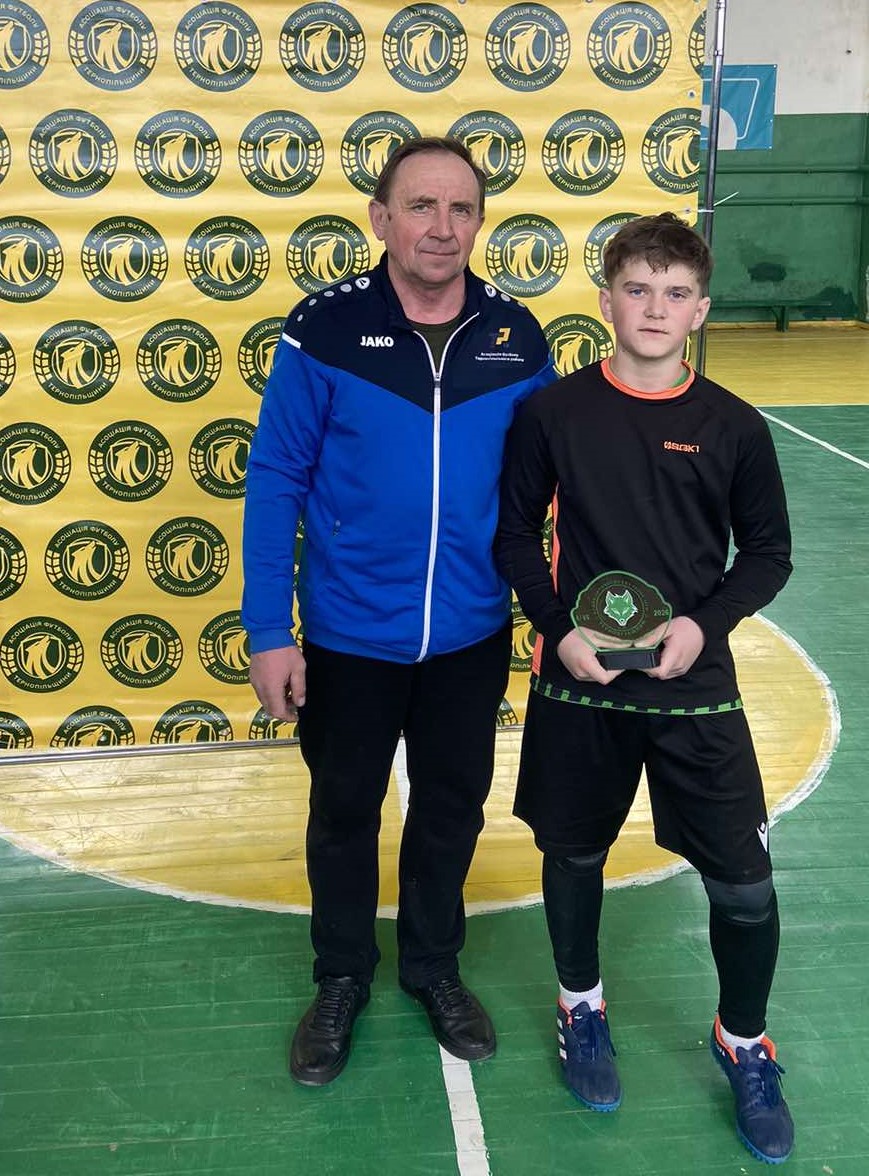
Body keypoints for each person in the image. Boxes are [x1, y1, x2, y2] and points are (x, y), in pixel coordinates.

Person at [241, 137, 555, 1086]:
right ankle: (341, 977)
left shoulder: (516, 339)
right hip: (348, 635)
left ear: (480, 223)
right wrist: (268, 631)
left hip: (470, 631)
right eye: (420, 205)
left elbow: (548, 489)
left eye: (460, 209)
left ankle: (432, 967)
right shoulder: (324, 329)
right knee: (343, 811)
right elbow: (276, 477)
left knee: (451, 810)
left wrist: (557, 614)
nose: (441, 227)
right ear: (381, 219)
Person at [496, 213, 795, 1164]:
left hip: (692, 685)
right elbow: (513, 537)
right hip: (581, 683)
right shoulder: (553, 414)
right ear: (606, 301)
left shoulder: (734, 427)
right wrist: (556, 632)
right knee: (572, 852)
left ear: (699, 310)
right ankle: (579, 1004)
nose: (655, 308)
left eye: (674, 294)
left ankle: (742, 1041)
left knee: (743, 886)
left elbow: (769, 554)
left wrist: (705, 623)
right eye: (637, 289)